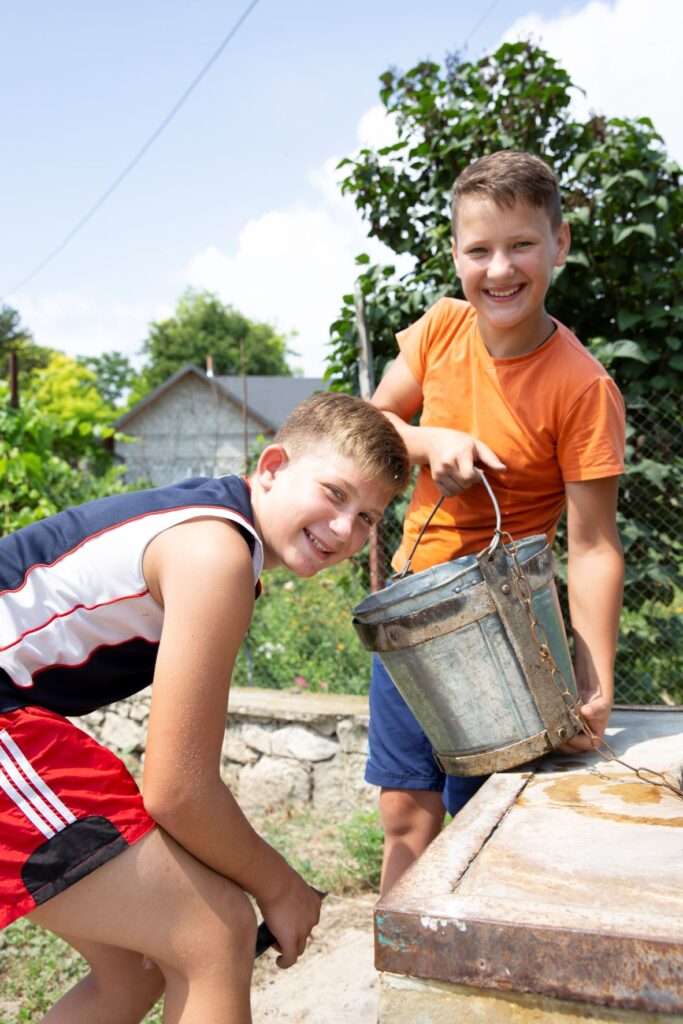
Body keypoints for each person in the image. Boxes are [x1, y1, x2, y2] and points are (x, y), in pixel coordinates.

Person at [0, 392, 409, 1024]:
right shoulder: (215, 552)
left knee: (131, 970)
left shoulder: (215, 528)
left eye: (368, 518)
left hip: (18, 715)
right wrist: (281, 887)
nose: (345, 529)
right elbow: (178, 790)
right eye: (334, 493)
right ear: (271, 466)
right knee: (215, 935)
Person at [366, 150, 626, 896]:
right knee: (405, 814)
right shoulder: (440, 332)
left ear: (559, 245)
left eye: (520, 245)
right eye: (478, 250)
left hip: (507, 629)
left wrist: (594, 680)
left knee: (486, 815)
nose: (499, 268)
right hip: (412, 617)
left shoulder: (581, 387)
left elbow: (593, 545)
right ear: (455, 256)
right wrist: (427, 441)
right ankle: (398, 980)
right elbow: (374, 421)